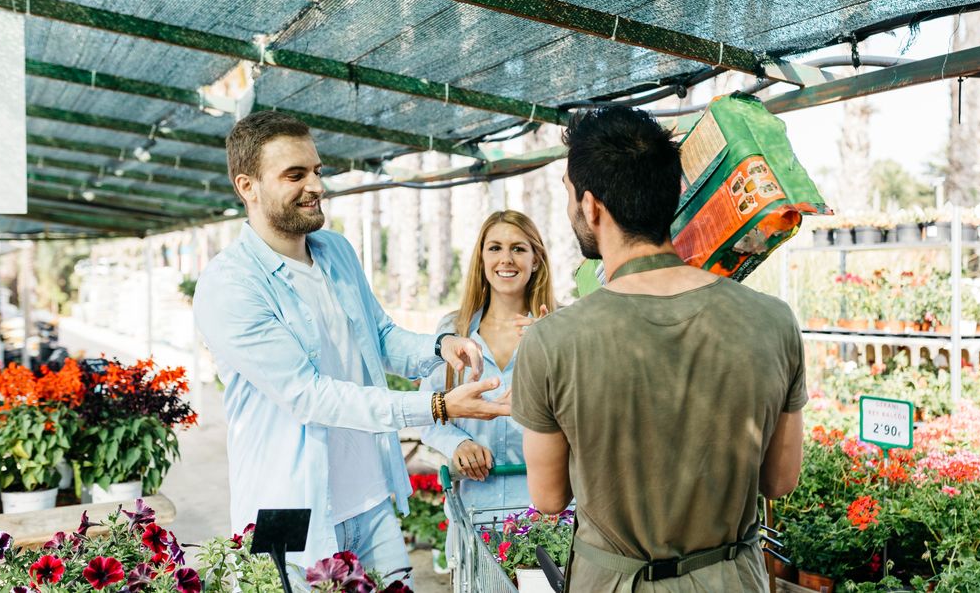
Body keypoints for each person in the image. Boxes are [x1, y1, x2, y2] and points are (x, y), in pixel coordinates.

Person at [193, 111, 510, 582]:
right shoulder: (229, 285)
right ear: (247, 187)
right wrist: (437, 406)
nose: (316, 185)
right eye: (294, 174)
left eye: (317, 170)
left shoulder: (335, 251)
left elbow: (378, 335)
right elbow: (310, 395)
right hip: (285, 508)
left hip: (367, 496)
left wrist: (441, 345)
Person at [511, 106, 807, 592]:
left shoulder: (553, 340)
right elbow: (779, 480)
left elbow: (548, 496)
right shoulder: (773, 321)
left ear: (591, 206)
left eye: (567, 193)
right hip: (733, 579)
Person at [419, 210, 556, 557]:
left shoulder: (560, 328)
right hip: (474, 515)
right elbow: (428, 411)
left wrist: (555, 351)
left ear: (536, 259)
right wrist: (458, 445)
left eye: (518, 249)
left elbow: (587, 414)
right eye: (495, 248)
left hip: (546, 515)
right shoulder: (454, 329)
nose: (506, 259)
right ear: (481, 259)